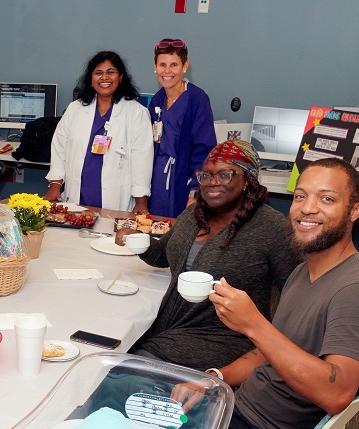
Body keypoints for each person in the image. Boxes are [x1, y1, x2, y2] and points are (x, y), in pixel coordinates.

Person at [174, 158, 359, 429]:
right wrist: (214, 379)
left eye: (327, 199)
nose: (307, 209)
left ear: (354, 212)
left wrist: (253, 324)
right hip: (240, 410)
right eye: (300, 197)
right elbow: (271, 352)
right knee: (126, 409)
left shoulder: (357, 290)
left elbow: (336, 394)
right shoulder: (304, 272)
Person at [118, 140, 301, 370]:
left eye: (225, 175)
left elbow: (296, 296)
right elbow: (164, 255)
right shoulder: (193, 214)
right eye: (205, 175)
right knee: (112, 349)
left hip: (222, 341)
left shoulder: (273, 228)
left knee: (120, 373)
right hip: (168, 327)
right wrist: (140, 241)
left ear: (248, 181)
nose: (212, 182)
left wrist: (269, 347)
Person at [46, 51, 153, 213]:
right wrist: (55, 185)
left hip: (116, 199)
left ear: (121, 77)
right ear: (91, 79)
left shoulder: (136, 113)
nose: (104, 78)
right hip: (77, 195)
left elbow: (142, 159)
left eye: (111, 72)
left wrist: (141, 201)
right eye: (98, 73)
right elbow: (59, 147)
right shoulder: (75, 109)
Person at [147, 38, 216, 218]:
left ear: (185, 66)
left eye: (174, 65)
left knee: (179, 234)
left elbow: (205, 149)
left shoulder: (197, 99)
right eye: (162, 64)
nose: (167, 71)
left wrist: (195, 191)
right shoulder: (156, 101)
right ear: (154, 66)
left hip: (183, 180)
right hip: (156, 182)